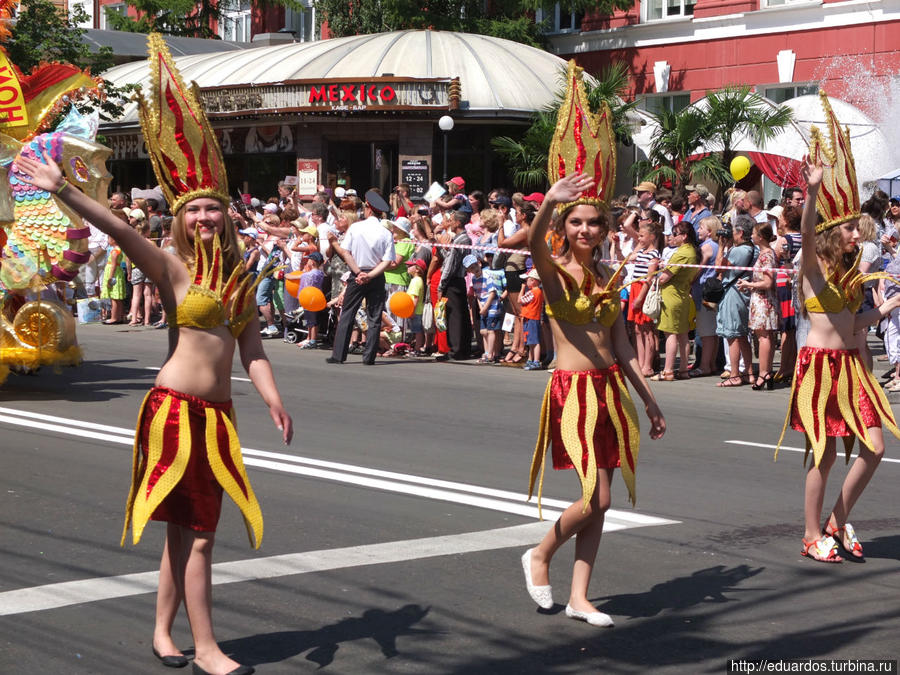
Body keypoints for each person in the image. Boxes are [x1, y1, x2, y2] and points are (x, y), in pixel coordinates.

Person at [16, 35, 293, 675]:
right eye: (193, 209)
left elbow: (251, 347)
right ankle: (206, 649)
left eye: (212, 211)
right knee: (198, 534)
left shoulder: (241, 276)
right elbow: (116, 227)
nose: (203, 218)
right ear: (180, 218)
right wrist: (62, 189)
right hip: (172, 409)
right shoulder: (171, 268)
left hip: (218, 417)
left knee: (184, 531)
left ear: (226, 217)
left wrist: (274, 400)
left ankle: (163, 635)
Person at [522, 64, 664, 628]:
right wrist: (548, 204)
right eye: (577, 222)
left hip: (609, 390)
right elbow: (533, 244)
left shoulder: (610, 273)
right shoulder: (555, 271)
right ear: (566, 224)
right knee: (595, 497)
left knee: (602, 501)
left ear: (606, 228)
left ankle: (581, 597)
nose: (585, 231)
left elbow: (623, 343)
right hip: (572, 392)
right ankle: (539, 553)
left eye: (594, 224)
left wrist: (649, 398)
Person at [776, 93, 900, 564]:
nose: (856, 235)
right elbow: (806, 234)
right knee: (824, 456)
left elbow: (856, 322)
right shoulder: (813, 266)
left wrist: (889, 304)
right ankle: (811, 534)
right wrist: (811, 193)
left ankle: (836, 519)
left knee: (874, 446)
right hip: (819, 368)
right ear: (834, 231)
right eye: (849, 229)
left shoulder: (851, 274)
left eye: (858, 229)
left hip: (850, 368)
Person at [326, 189, 396, 365]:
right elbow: (387, 261)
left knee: (348, 313)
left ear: (368, 209)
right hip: (376, 275)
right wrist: (370, 275)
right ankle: (369, 356)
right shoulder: (386, 232)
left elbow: (346, 252)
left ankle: (339, 355)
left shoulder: (356, 227)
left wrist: (358, 273)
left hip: (357, 273)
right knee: (374, 315)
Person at [651, 222, 700, 380]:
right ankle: (683, 370)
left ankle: (668, 371)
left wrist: (656, 273)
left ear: (684, 236)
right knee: (683, 334)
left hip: (672, 296)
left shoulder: (682, 253)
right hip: (683, 295)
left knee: (670, 334)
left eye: (675, 233)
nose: (672, 237)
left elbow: (664, 278)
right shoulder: (691, 251)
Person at [737, 222, 780, 389]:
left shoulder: (766, 255)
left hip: (764, 300)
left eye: (754, 234)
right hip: (762, 299)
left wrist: (749, 285)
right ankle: (766, 372)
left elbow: (768, 282)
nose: (751, 236)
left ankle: (764, 372)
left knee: (763, 337)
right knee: (765, 336)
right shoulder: (764, 253)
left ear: (760, 237)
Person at [519, 268, 544, 370]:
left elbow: (520, 300)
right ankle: (531, 359)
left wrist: (522, 288)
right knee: (531, 341)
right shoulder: (538, 292)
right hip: (532, 318)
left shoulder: (533, 292)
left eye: (527, 280)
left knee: (534, 341)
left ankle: (536, 361)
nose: (525, 282)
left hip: (531, 318)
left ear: (533, 281)